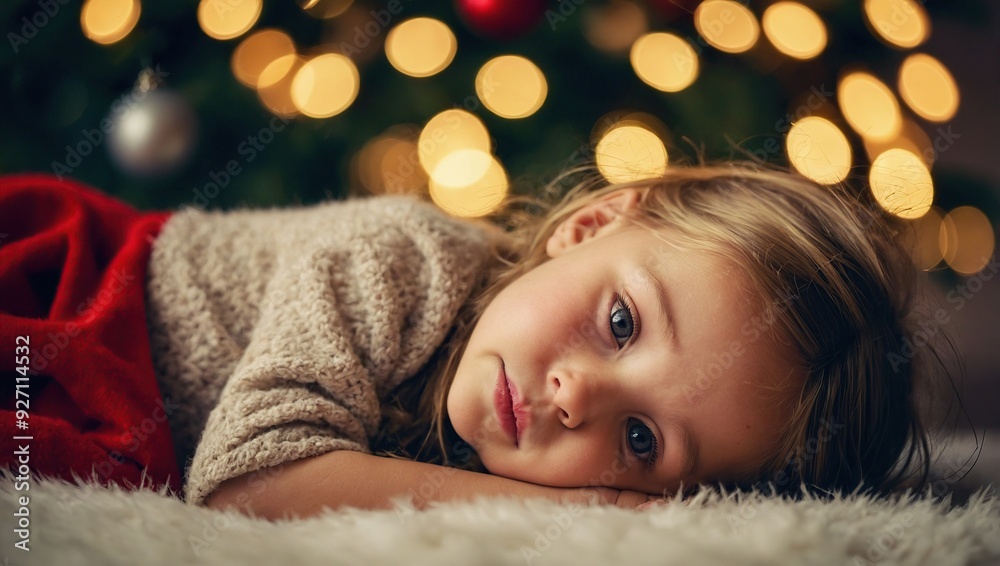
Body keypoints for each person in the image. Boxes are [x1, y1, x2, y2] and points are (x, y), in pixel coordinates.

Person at [0, 163, 943, 520]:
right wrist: (600, 509)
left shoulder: (483, 446)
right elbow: (249, 480)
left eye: (641, 440)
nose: (577, 397)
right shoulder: (402, 257)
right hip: (73, 304)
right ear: (589, 227)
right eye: (621, 323)